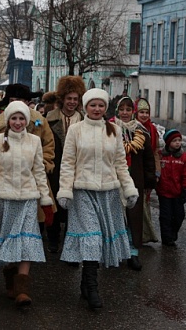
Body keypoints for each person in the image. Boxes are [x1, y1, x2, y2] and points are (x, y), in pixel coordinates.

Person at [57, 88, 138, 310]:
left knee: (98, 240)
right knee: (91, 238)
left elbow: (120, 164)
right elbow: (68, 162)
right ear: (85, 107)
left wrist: (129, 189)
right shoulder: (75, 130)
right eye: (92, 105)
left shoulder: (114, 130)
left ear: (105, 108)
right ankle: (93, 288)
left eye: (101, 105)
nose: (97, 109)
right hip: (82, 191)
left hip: (109, 193)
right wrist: (65, 190)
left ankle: (86, 282)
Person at [0, 101, 53, 308]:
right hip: (5, 199)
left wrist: (46, 201)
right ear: (8, 120)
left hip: (28, 200)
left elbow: (39, 171)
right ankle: (11, 280)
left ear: (27, 121)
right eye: (14, 118)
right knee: (9, 243)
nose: (18, 122)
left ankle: (22, 289)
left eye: (22, 118)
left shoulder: (34, 141)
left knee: (26, 242)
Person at [0, 83, 56, 230]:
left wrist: (43, 163)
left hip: (33, 176)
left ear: (27, 102)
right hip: (7, 178)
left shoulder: (39, 120)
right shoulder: (0, 121)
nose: (16, 104)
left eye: (20, 100)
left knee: (34, 221)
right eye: (12, 100)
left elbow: (49, 144)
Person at [109, 97, 156, 271]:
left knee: (133, 218)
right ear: (117, 111)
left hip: (135, 181)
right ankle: (114, 252)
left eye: (128, 109)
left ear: (133, 112)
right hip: (113, 180)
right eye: (122, 109)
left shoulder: (141, 131)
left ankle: (133, 253)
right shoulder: (108, 129)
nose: (125, 113)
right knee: (115, 217)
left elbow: (149, 159)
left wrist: (149, 181)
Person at [45, 75, 85, 254]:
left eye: (75, 99)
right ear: (62, 98)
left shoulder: (83, 120)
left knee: (74, 206)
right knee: (54, 202)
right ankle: (53, 239)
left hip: (77, 168)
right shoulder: (50, 118)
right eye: (69, 98)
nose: (72, 102)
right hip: (55, 167)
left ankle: (70, 241)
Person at [156, 129, 186, 246]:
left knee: (179, 215)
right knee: (165, 216)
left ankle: (173, 233)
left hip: (178, 192)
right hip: (164, 192)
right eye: (174, 140)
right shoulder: (161, 155)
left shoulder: (184, 157)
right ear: (168, 142)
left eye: (179, 140)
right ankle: (167, 238)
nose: (177, 143)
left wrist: (185, 189)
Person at [135, 98, 161, 244]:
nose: (144, 115)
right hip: (135, 170)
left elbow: (156, 151)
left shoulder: (152, 129)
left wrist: (156, 171)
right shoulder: (132, 127)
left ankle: (144, 234)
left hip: (148, 171)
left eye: (147, 112)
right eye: (141, 112)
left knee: (145, 201)